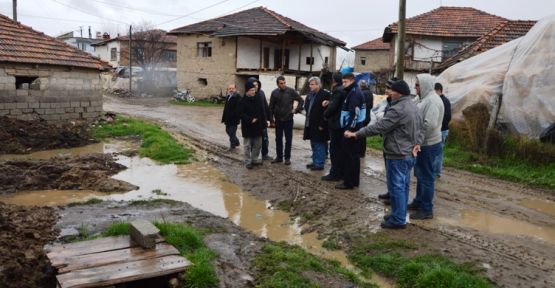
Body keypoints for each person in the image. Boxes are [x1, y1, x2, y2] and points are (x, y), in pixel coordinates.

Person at [345, 79, 422, 229]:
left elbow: (380, 126)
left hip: (398, 153)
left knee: (398, 187)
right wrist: (417, 143)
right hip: (408, 152)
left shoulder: (398, 109)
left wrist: (357, 134)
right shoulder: (414, 105)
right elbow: (421, 127)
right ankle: (397, 214)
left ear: (398, 93)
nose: (388, 92)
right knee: (403, 186)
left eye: (391, 90)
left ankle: (398, 220)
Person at [408, 74, 445, 220]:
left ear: (425, 85)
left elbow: (429, 125)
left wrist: (417, 140)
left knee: (427, 176)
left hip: (428, 144)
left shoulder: (433, 101)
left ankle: (427, 209)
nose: (415, 87)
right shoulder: (422, 98)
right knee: (420, 174)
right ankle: (418, 202)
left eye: (417, 85)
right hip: (422, 143)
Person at [336, 73, 366, 190]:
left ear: (352, 81)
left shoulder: (355, 93)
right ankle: (354, 181)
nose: (343, 85)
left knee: (349, 156)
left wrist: (349, 130)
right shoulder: (352, 91)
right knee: (353, 156)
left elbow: (355, 113)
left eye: (345, 82)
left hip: (352, 129)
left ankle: (348, 182)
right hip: (353, 127)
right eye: (343, 82)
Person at [269, 76, 304, 165]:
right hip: (278, 120)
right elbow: (271, 107)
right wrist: (271, 120)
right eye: (281, 83)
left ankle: (287, 158)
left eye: (284, 83)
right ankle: (279, 157)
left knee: (288, 139)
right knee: (278, 139)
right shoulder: (274, 93)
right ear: (277, 84)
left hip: (288, 119)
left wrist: (296, 110)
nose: (283, 85)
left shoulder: (291, 91)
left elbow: (301, 100)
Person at [322, 72, 346, 181]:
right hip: (341, 123)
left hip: (336, 124)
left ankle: (335, 174)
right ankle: (340, 172)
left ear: (333, 80)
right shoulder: (343, 89)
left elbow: (333, 107)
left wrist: (325, 115)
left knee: (334, 149)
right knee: (339, 149)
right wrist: (330, 101)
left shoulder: (337, 90)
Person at [237, 81, 267, 169]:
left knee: (258, 144)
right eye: (251, 90)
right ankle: (248, 161)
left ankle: (254, 159)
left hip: (258, 125)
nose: (254, 91)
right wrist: (250, 119)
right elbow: (240, 113)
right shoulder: (242, 101)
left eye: (254, 90)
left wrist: (264, 122)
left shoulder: (257, 98)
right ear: (247, 91)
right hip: (248, 126)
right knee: (247, 145)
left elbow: (262, 110)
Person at [303, 77, 330, 171]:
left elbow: (327, 111)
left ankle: (319, 164)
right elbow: (306, 106)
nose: (310, 86)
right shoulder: (310, 94)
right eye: (309, 84)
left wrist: (323, 124)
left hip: (320, 124)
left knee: (319, 144)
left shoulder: (325, 94)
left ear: (318, 85)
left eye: (312, 84)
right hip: (311, 123)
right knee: (313, 143)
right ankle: (315, 161)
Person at [377, 77, 397, 203]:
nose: (386, 91)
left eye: (389, 88)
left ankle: (394, 196)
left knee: (395, 172)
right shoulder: (388, 101)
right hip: (387, 140)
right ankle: (390, 192)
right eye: (386, 88)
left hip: (395, 143)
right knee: (389, 170)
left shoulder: (398, 104)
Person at [247, 77, 272, 161]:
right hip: (253, 122)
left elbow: (265, 106)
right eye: (254, 85)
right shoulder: (248, 95)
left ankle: (265, 154)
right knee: (253, 141)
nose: (256, 86)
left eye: (257, 84)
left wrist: (269, 119)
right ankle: (253, 157)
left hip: (262, 121)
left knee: (265, 139)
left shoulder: (261, 93)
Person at [433, 83, 451, 178]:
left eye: (434, 91)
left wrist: (438, 126)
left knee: (438, 152)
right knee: (437, 151)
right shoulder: (441, 100)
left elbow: (447, 117)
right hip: (440, 129)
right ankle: (435, 171)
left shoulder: (444, 101)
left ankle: (436, 172)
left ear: (439, 90)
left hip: (441, 130)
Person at [221, 84, 241, 150]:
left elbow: (238, 109)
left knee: (232, 133)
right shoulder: (228, 96)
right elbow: (226, 109)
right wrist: (223, 118)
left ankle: (232, 147)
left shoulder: (238, 97)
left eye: (232, 88)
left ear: (235, 89)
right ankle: (237, 142)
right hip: (227, 119)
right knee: (227, 131)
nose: (231, 90)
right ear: (228, 89)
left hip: (233, 119)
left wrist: (236, 117)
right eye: (230, 89)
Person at [358, 80, 374, 158]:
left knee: (360, 134)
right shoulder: (370, 93)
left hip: (362, 117)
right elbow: (371, 106)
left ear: (360, 86)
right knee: (363, 135)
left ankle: (360, 152)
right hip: (368, 116)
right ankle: (362, 152)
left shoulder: (362, 93)